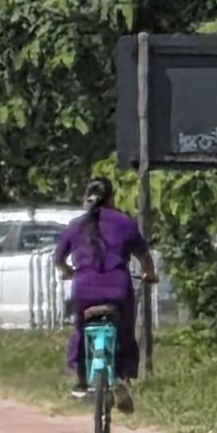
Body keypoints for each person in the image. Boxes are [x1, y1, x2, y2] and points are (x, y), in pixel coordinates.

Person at [53, 176, 154, 411]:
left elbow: (58, 258)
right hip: (118, 289)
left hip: (85, 289)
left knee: (80, 329)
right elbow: (143, 255)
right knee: (125, 330)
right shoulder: (125, 223)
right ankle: (123, 375)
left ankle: (80, 379)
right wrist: (149, 273)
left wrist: (69, 271)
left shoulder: (75, 226)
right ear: (111, 198)